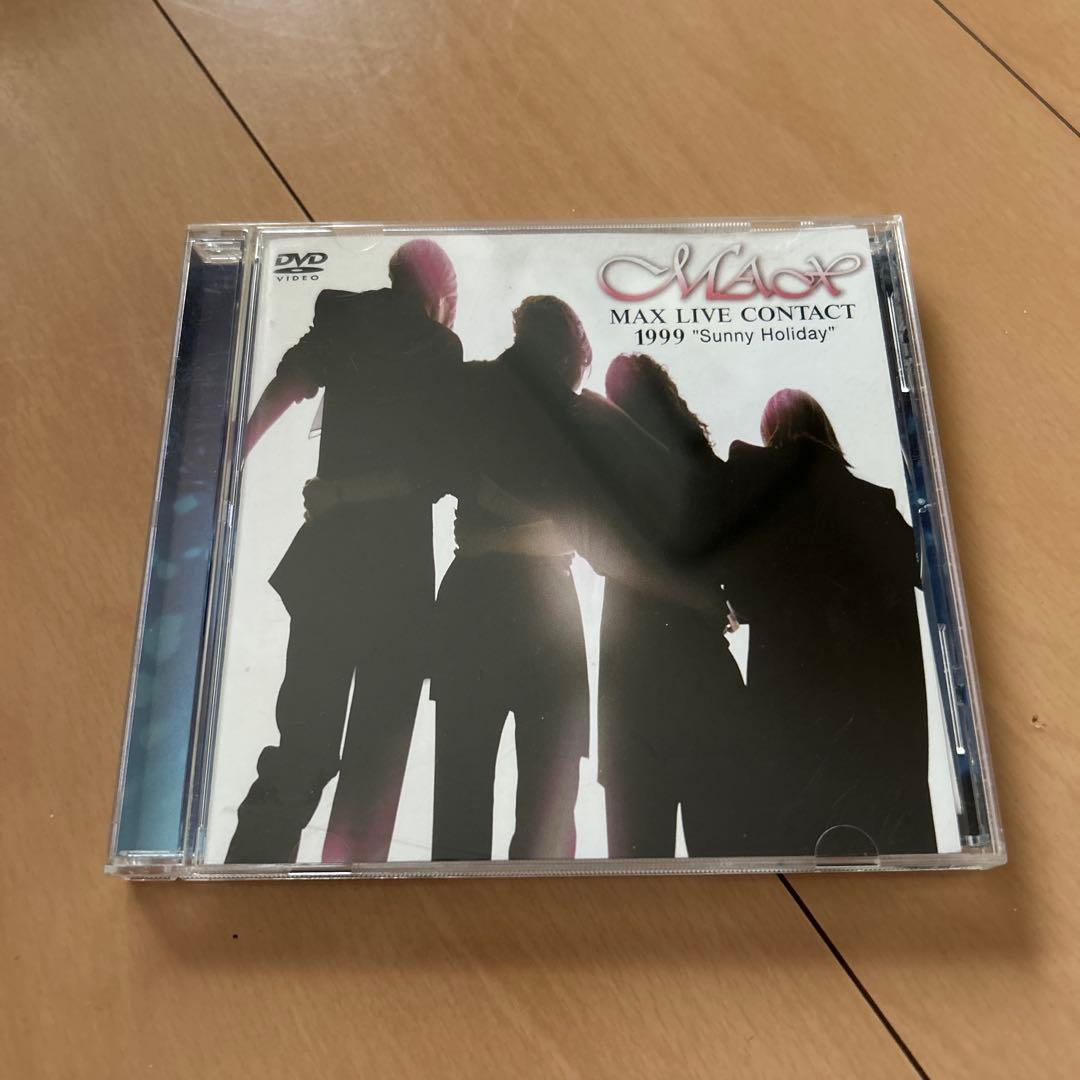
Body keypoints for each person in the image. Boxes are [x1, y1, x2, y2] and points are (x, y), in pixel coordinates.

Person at [225, 239, 462, 865]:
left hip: (330, 564)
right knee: (377, 760)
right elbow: (432, 472)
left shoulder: (344, 315)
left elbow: (288, 385)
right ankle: (349, 883)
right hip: (397, 575)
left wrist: (232, 457)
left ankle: (251, 867)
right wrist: (346, 493)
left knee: (303, 741)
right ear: (442, 293)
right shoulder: (440, 347)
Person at [716, 388, 937, 856]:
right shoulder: (874, 502)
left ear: (772, 435)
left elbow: (746, 596)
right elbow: (924, 574)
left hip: (796, 708)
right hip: (873, 712)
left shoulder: (768, 507)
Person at [596, 354, 748, 858]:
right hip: (703, 675)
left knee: (638, 864)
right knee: (725, 853)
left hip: (633, 688)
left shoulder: (609, 468)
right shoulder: (707, 471)